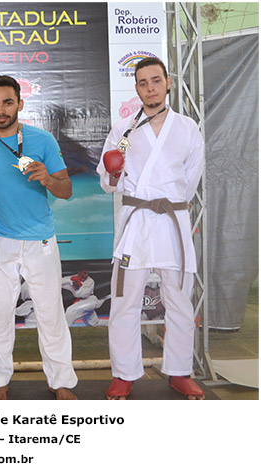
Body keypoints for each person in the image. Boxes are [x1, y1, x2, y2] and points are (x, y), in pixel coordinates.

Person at [0, 75, 78, 400]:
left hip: (40, 240)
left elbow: (66, 190)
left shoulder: (43, 140)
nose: (1, 110)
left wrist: (47, 179)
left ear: (20, 104)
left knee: (50, 314)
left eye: (7, 103)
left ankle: (61, 382)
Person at [97, 57, 205, 400]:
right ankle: (124, 374)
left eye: (156, 81)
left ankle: (179, 372)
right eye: (143, 83)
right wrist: (114, 173)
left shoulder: (187, 128)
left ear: (168, 82)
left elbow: (190, 182)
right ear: (137, 89)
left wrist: (167, 202)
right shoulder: (123, 130)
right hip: (137, 223)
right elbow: (107, 181)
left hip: (172, 221)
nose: (150, 88)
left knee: (180, 300)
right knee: (124, 301)